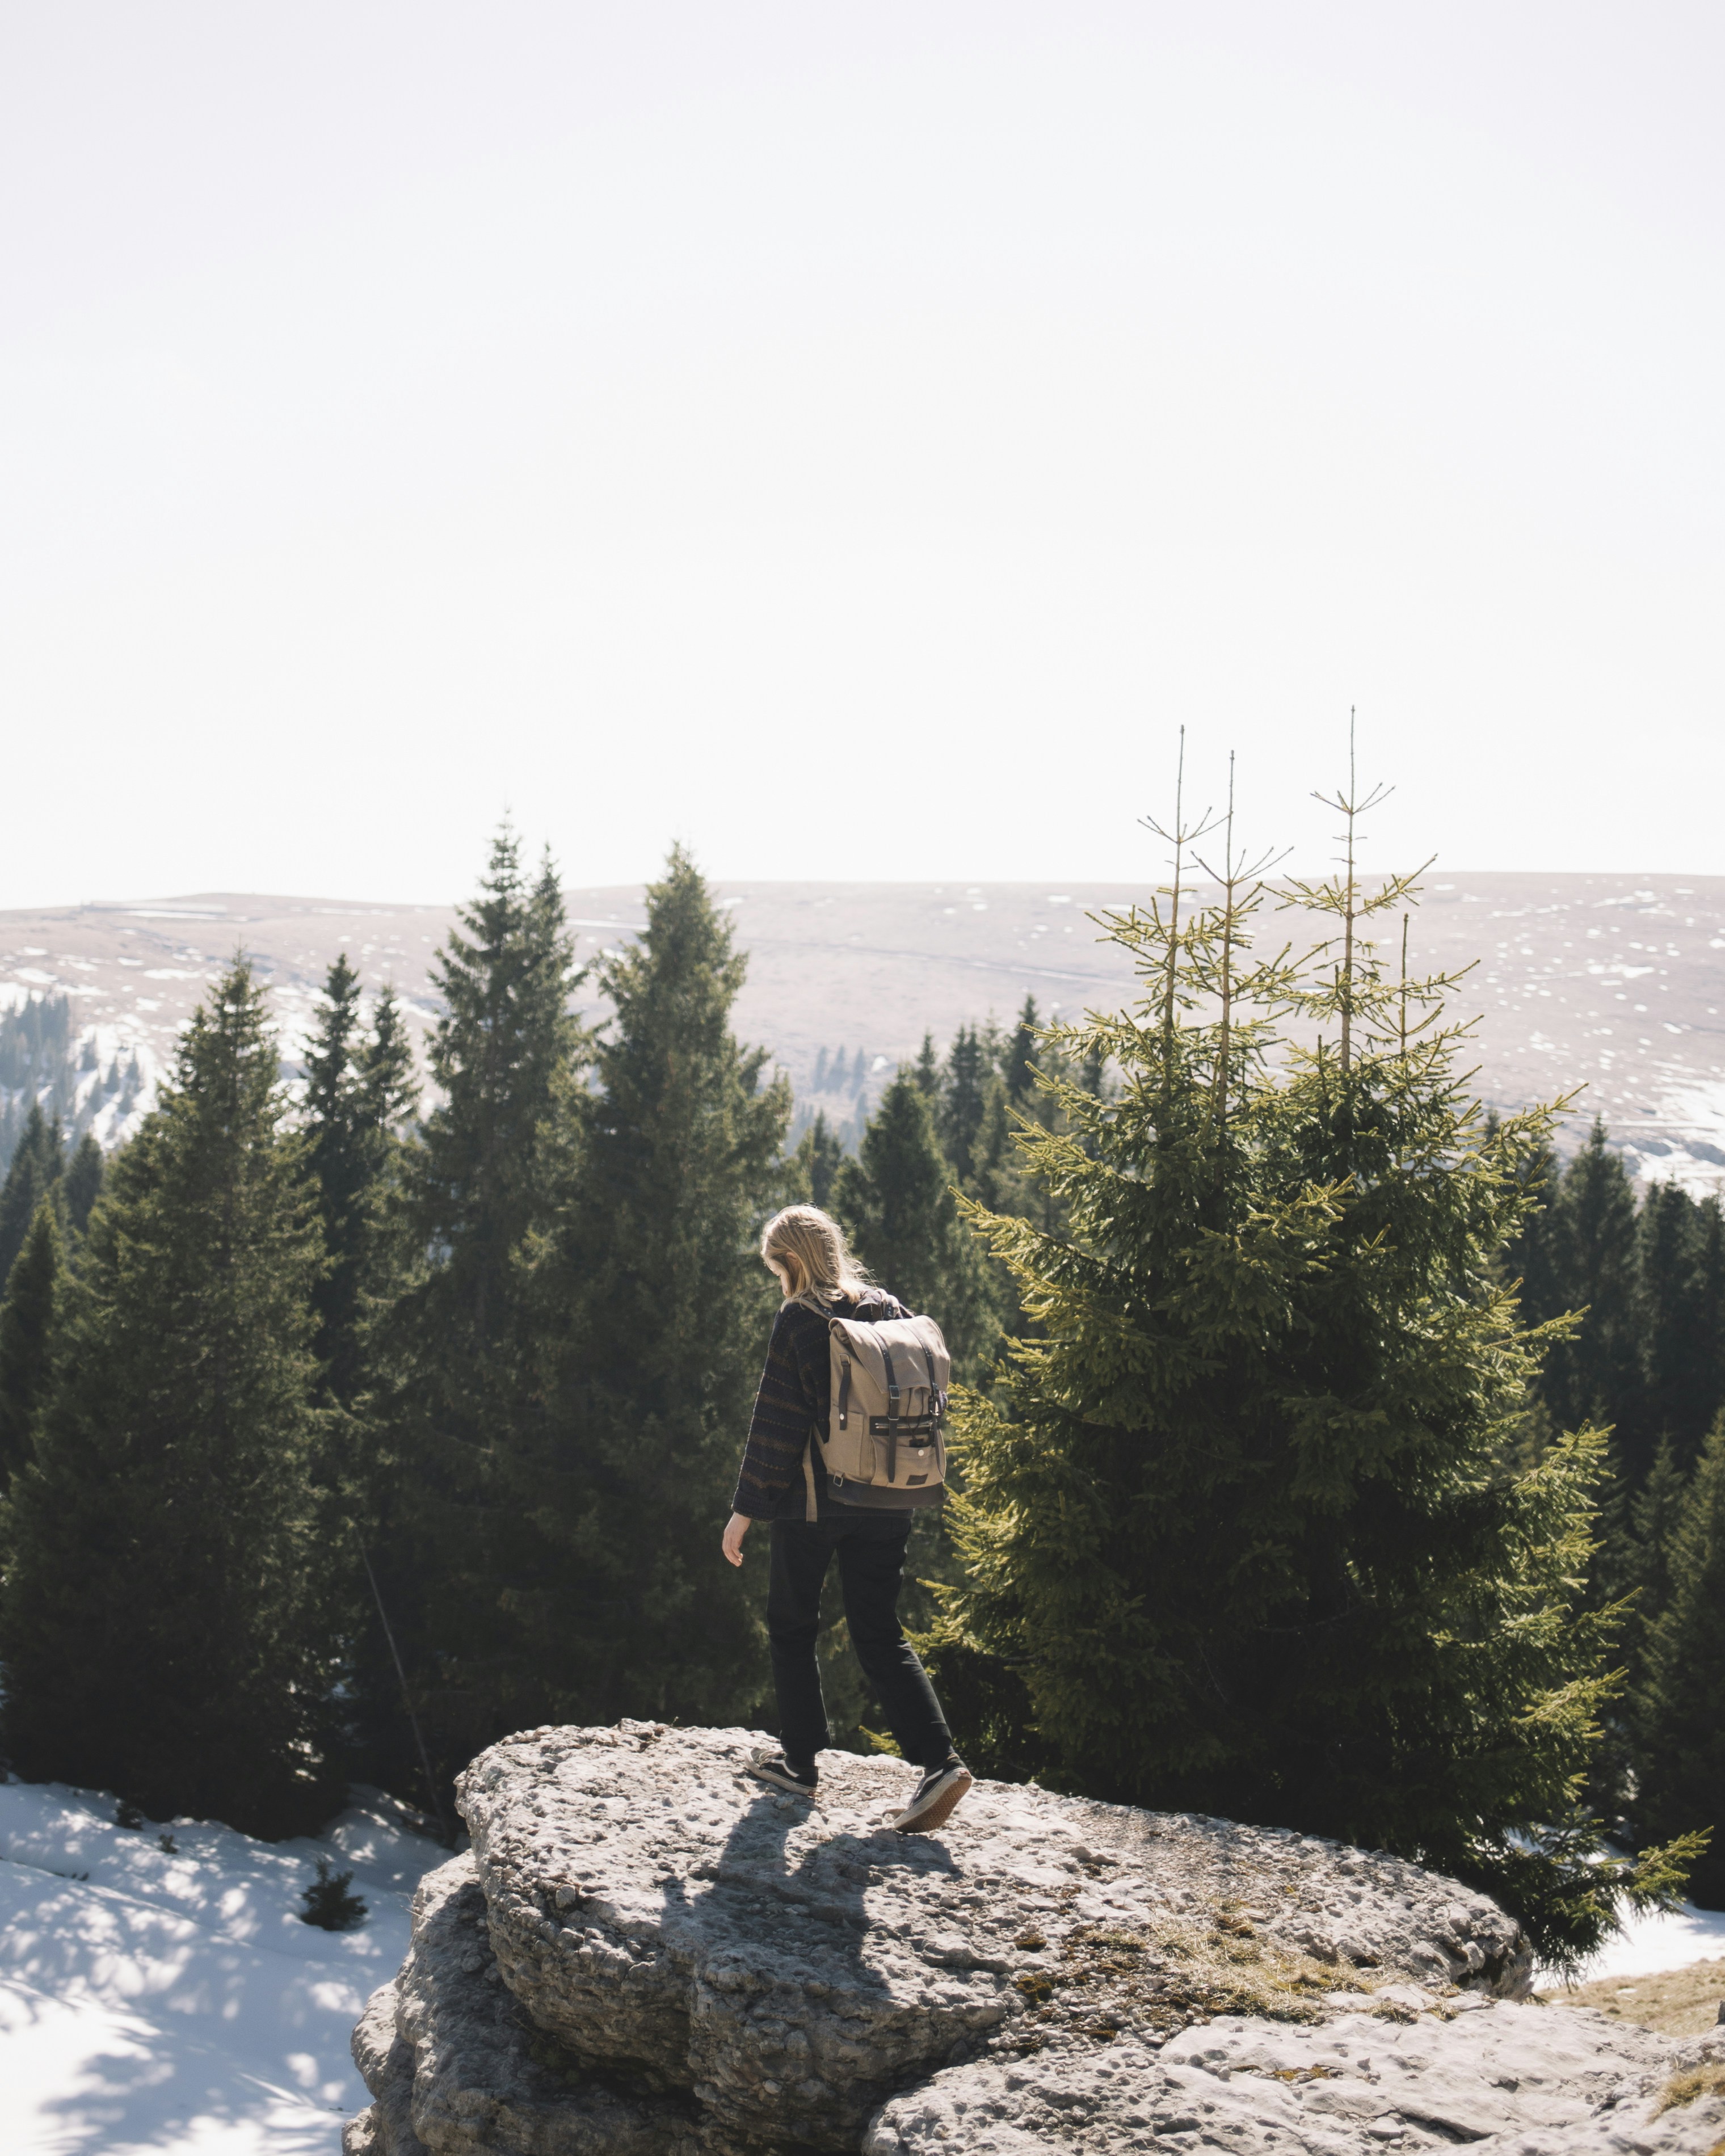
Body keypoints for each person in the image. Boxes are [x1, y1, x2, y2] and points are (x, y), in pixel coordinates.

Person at [722, 1203, 973, 1833]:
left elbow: (776, 1423)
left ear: (792, 1260)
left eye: (777, 1265)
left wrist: (744, 1512)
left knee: (791, 1623)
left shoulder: (799, 1318)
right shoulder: (888, 1308)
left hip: (816, 1501)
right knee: (879, 1630)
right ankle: (940, 1761)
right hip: (889, 1497)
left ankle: (800, 1763)